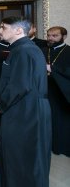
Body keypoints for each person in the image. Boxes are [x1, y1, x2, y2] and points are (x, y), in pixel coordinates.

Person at [0, 17, 51, 187]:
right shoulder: (24, 48)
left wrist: (1, 104)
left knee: (20, 156)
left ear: (18, 31)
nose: (0, 31)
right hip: (26, 107)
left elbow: (19, 85)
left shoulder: (23, 50)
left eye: (4, 27)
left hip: (25, 110)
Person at [44, 26, 70, 156]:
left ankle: (61, 147)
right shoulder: (43, 51)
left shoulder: (68, 51)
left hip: (62, 93)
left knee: (62, 122)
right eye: (49, 35)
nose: (50, 38)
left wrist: (52, 68)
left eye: (55, 36)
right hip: (45, 92)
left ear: (64, 37)